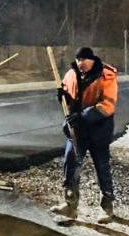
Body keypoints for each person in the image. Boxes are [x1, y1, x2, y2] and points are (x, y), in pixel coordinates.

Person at [51, 46, 119, 219]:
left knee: (102, 166)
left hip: (99, 130)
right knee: (71, 164)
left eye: (84, 60)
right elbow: (69, 98)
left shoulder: (107, 76)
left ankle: (107, 207)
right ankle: (70, 205)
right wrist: (63, 96)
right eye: (78, 60)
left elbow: (108, 105)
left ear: (92, 60)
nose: (81, 63)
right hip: (78, 131)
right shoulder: (71, 74)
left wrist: (82, 116)